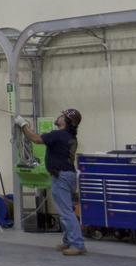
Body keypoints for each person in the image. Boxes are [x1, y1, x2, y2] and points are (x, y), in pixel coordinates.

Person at [15, 108, 85, 255]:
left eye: (62, 116)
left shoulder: (58, 135)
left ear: (66, 121)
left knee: (66, 212)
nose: (59, 117)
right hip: (69, 175)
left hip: (61, 177)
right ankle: (68, 241)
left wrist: (23, 125)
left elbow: (35, 139)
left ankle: (77, 244)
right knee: (66, 210)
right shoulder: (70, 137)